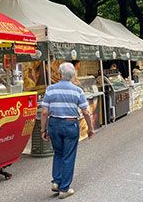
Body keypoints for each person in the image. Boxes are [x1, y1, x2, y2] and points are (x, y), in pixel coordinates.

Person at [40, 62, 95, 199]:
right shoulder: (77, 91)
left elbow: (44, 112)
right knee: (68, 156)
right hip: (71, 125)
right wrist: (90, 128)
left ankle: (56, 181)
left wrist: (43, 129)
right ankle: (64, 188)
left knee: (58, 153)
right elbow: (86, 112)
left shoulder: (50, 89)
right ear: (73, 75)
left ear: (59, 74)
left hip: (54, 124)